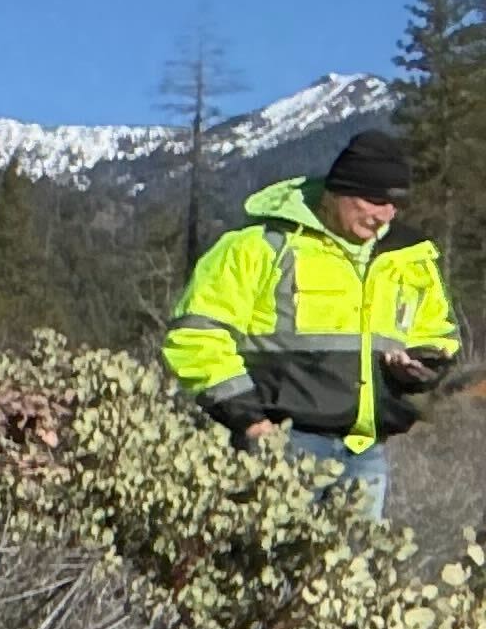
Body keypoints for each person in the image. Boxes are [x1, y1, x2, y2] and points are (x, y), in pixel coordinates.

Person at [165, 126, 456, 515]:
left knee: (356, 573)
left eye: (394, 204)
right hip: (282, 445)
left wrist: (423, 364)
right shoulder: (258, 245)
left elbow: (439, 334)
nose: (384, 215)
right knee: (269, 570)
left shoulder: (409, 258)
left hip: (365, 452)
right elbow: (195, 336)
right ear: (338, 192)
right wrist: (250, 422)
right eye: (373, 200)